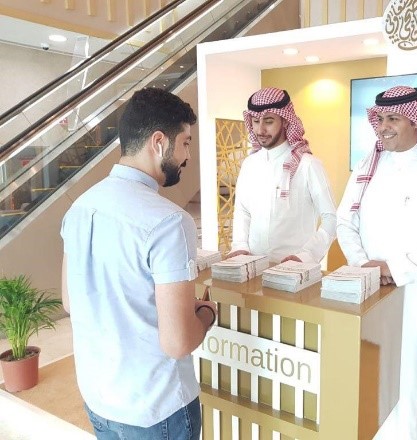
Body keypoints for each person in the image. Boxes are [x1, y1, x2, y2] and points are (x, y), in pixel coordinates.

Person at [60, 87, 217, 440]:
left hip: (99, 399)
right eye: (186, 143)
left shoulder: (80, 207)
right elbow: (178, 342)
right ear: (159, 142)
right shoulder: (169, 222)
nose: (187, 156)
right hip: (156, 408)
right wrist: (206, 313)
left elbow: (70, 301)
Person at [337, 86, 417, 439]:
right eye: (380, 118)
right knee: (373, 378)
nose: (383, 126)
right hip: (371, 294)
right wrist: (364, 265)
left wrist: (395, 269)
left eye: (393, 118)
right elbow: (344, 221)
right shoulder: (366, 167)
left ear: (415, 121)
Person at [227, 87, 336, 263]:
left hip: (296, 269)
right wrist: (240, 246)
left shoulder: (308, 165)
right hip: (253, 265)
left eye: (269, 121)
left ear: (285, 121)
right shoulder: (249, 164)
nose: (260, 130)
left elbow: (331, 218)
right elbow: (242, 210)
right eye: (255, 121)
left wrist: (307, 255)